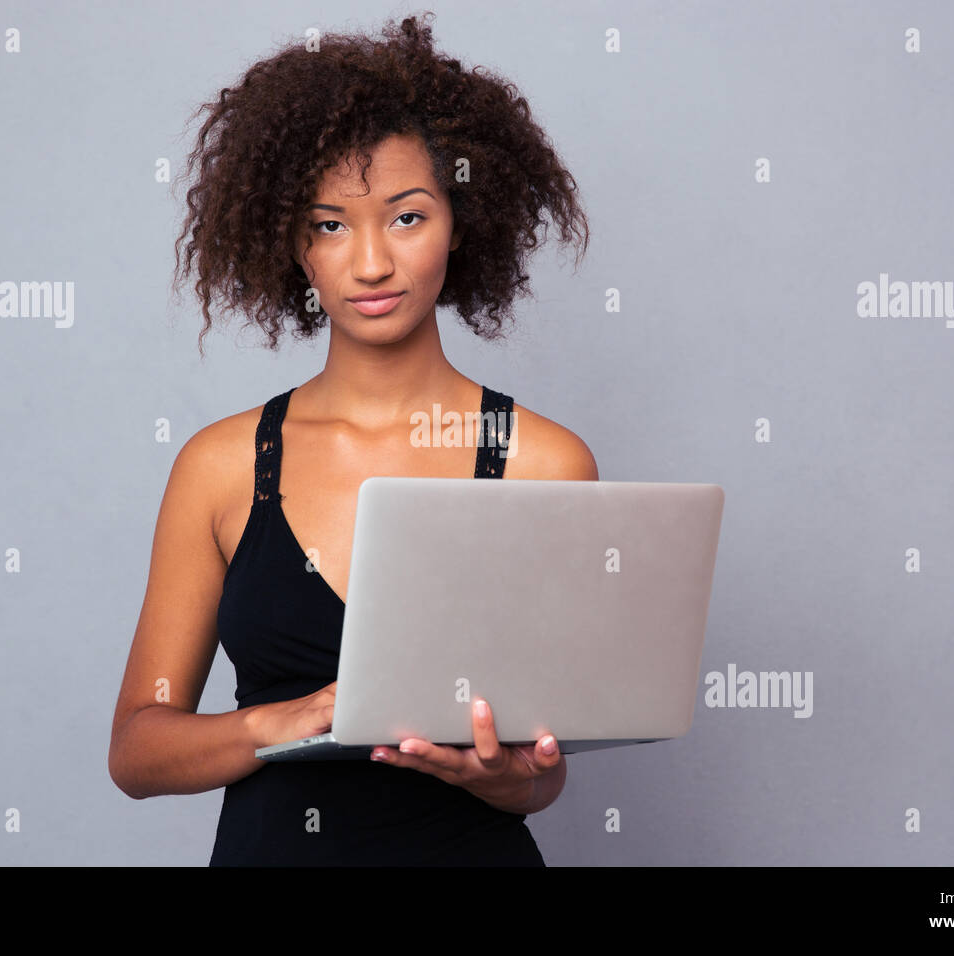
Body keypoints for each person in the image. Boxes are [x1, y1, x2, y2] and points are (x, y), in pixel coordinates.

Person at [107, 12, 596, 865]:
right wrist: (277, 723)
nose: (371, 263)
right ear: (291, 244)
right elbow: (138, 750)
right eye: (331, 224)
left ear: (461, 221)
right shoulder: (221, 467)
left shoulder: (543, 463)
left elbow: (542, 778)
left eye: (406, 217)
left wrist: (497, 775)